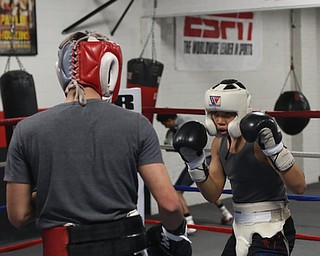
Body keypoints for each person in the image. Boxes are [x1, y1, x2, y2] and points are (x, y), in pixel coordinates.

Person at [4, 31, 192, 256]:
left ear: (60, 72)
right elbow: (170, 204)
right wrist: (175, 234)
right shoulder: (136, 124)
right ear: (109, 71)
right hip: (125, 248)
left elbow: (18, 215)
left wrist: (56, 189)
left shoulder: (26, 129)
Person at [173, 79, 307, 255]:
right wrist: (195, 165)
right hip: (240, 227)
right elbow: (212, 194)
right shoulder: (218, 143)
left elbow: (299, 186)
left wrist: (275, 150)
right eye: (214, 113)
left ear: (241, 112)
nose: (219, 121)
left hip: (273, 229)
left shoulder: (259, 142)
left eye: (227, 114)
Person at [156, 113, 233, 234]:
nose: (165, 126)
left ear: (170, 120)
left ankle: (189, 223)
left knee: (177, 191)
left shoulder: (184, 124)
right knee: (211, 188)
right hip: (205, 158)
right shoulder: (179, 126)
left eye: (164, 123)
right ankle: (226, 213)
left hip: (202, 159)